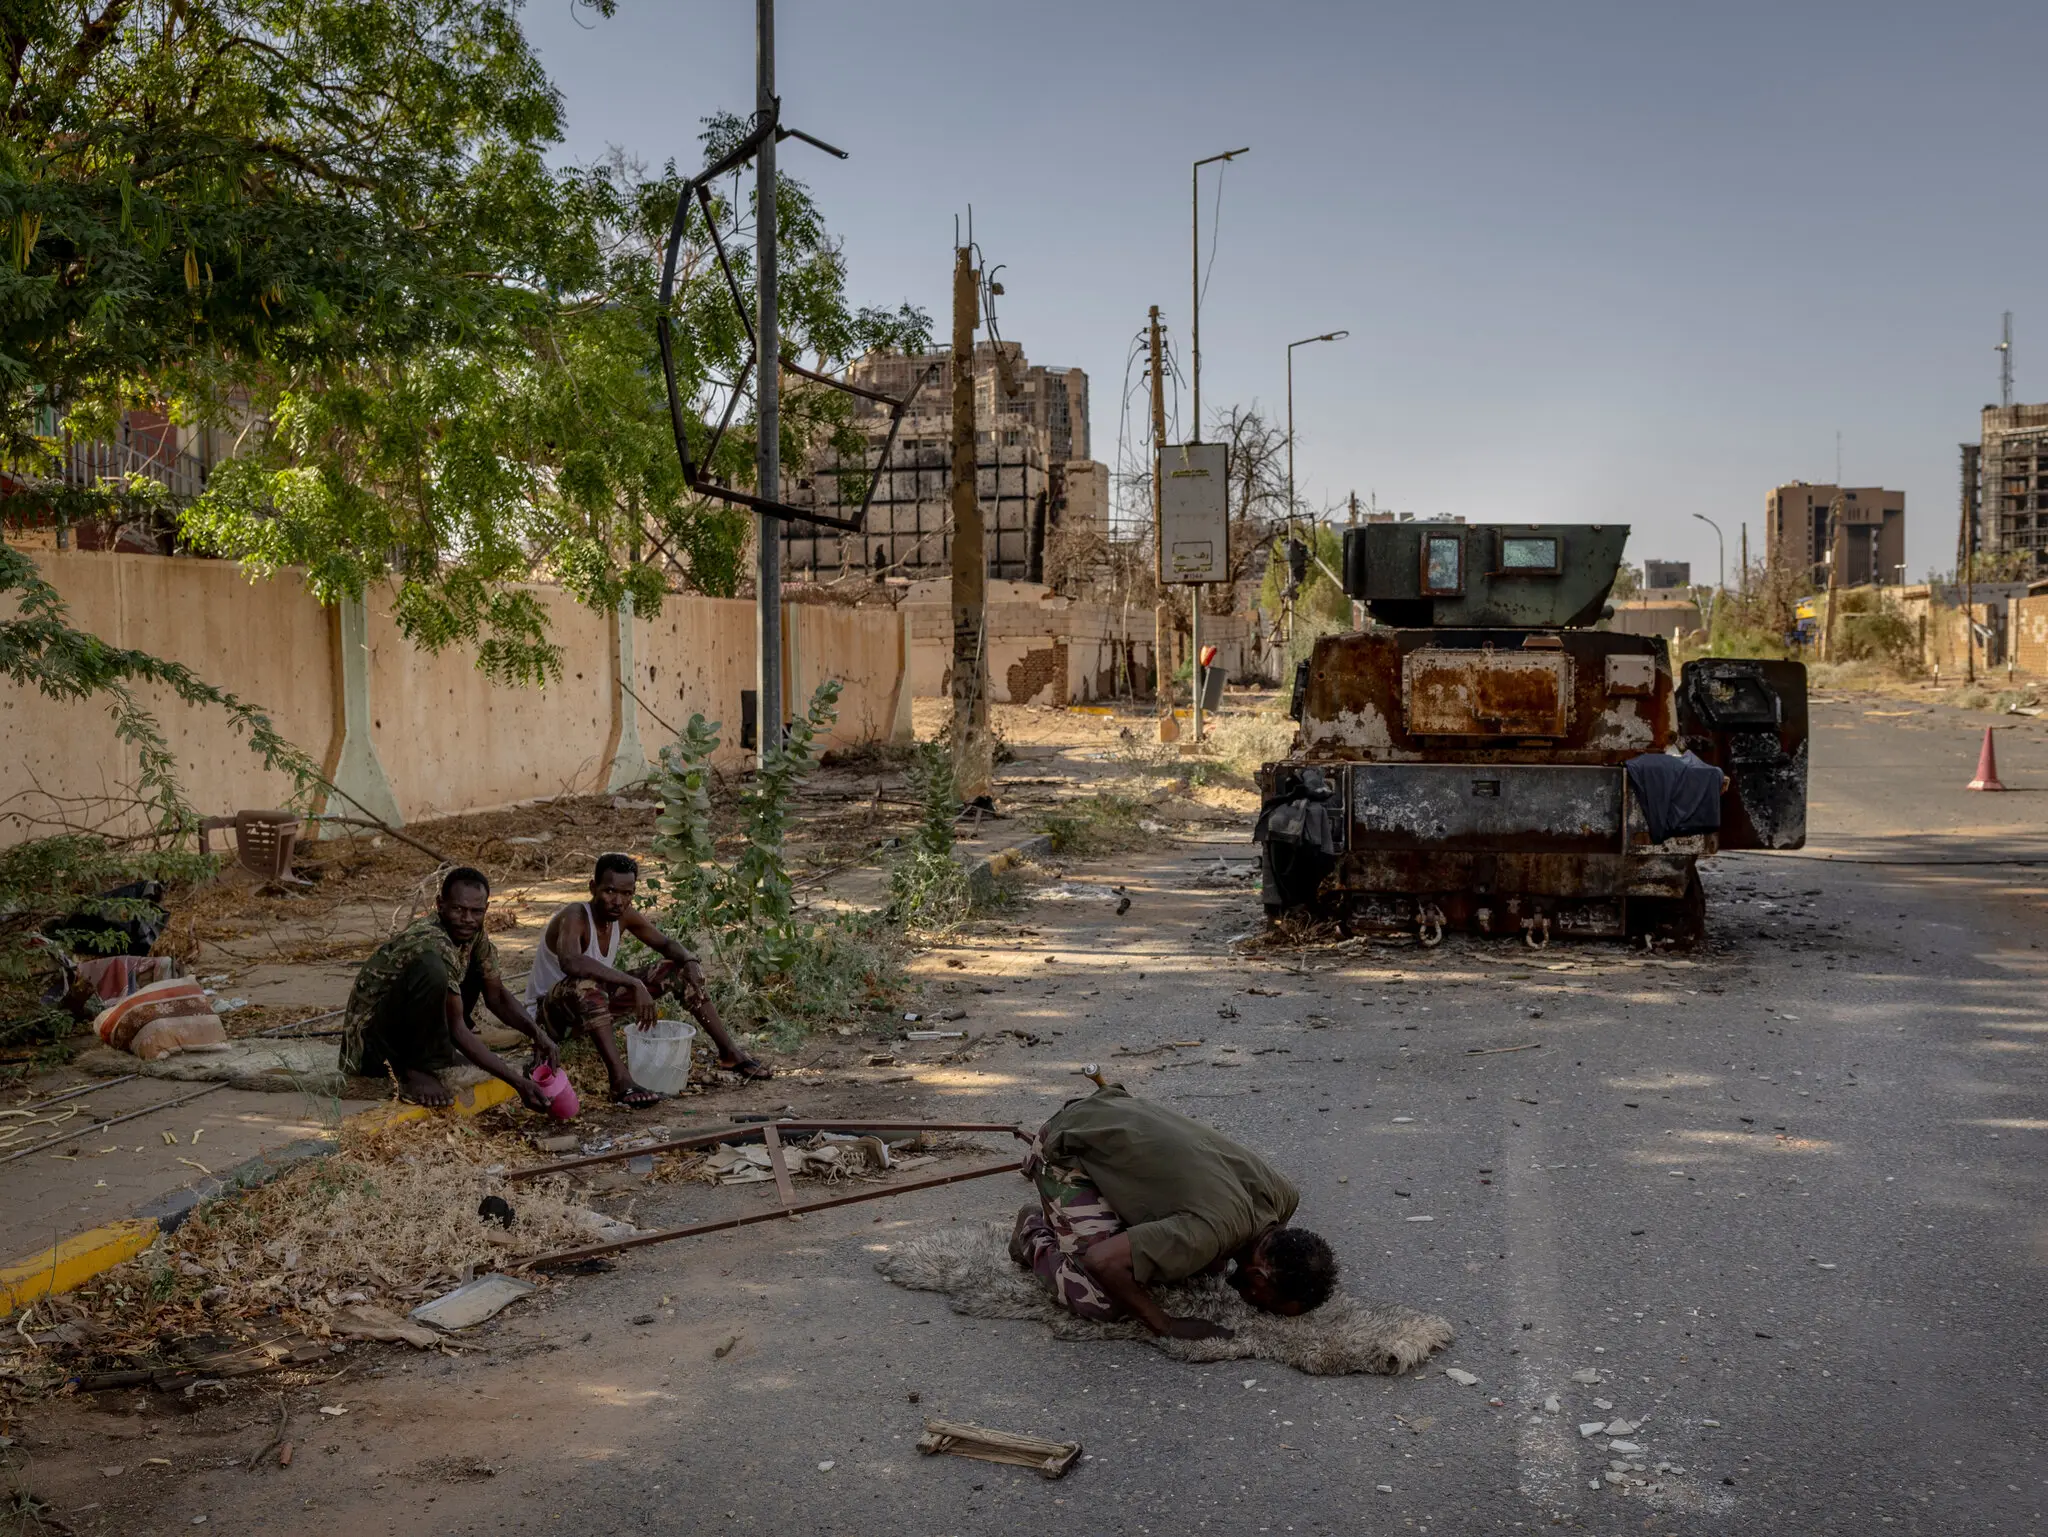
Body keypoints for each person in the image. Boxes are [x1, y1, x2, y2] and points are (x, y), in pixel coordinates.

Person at [1009, 1083, 1337, 1339]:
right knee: (1099, 1297)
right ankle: (1032, 1231)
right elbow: (1102, 1262)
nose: (1262, 1309)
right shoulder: (1210, 1231)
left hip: (1113, 1110)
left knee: (1201, 1261)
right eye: (1270, 1306)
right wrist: (1164, 1324)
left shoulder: (1284, 1197)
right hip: (1068, 1144)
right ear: (1256, 1276)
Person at [527, 853, 772, 1108]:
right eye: (610, 891)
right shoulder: (576, 915)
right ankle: (620, 1080)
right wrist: (634, 984)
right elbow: (571, 962)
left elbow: (665, 944)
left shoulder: (623, 915)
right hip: (549, 1017)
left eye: (627, 893)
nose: (618, 901)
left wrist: (690, 961)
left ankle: (729, 1053)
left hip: (589, 1009)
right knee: (586, 985)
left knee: (675, 971)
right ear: (592, 887)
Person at [341, 866, 558, 1111]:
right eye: (458, 909)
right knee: (432, 969)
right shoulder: (431, 941)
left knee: (473, 967)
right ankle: (415, 1069)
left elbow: (496, 995)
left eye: (476, 911)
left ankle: (438, 1056)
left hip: (410, 1029)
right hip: (372, 1047)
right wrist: (518, 1083)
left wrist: (538, 1035)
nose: (467, 919)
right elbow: (457, 1027)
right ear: (440, 904)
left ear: (486, 909)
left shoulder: (472, 933)